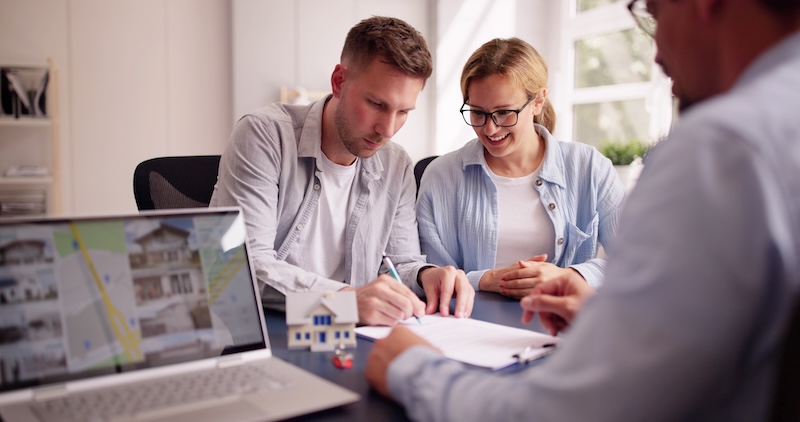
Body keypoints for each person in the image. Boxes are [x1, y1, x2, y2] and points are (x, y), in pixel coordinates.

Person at [365, 0, 800, 419]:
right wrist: (600, 313)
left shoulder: (721, 149)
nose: (657, 54)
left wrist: (412, 369)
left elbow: (572, 410)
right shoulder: (771, 130)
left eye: (654, 13)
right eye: (478, 114)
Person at [210, 16, 474, 326]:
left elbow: (399, 262)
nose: (387, 129)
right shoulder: (264, 135)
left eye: (403, 112)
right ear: (339, 82)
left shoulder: (396, 163)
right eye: (376, 104)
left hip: (350, 336)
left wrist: (426, 275)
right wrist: (345, 302)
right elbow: (239, 265)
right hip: (270, 331)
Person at [416, 38, 624, 298]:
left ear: (538, 101)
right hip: (467, 326)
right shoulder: (441, 176)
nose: (490, 129)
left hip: (559, 328)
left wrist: (569, 275)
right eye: (478, 112)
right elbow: (428, 275)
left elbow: (636, 260)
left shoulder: (589, 168)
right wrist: (486, 279)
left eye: (504, 112)